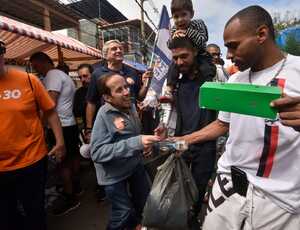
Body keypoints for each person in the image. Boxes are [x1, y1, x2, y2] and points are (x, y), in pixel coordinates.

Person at [172, 6, 300, 230]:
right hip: (228, 186)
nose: (228, 55)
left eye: (233, 46)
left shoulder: (298, 71)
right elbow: (222, 124)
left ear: (261, 35)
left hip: (280, 202)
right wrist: (181, 141)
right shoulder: (235, 80)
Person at [0, 40, 65, 230]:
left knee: (34, 211)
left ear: (3, 53)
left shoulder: (28, 80)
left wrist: (60, 141)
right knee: (6, 216)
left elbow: (50, 111)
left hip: (31, 161)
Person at [157, 36, 217, 228]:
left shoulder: (214, 78)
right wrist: (164, 126)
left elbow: (224, 120)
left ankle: (192, 221)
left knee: (197, 191)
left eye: (184, 56)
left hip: (205, 147)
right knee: (178, 186)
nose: (179, 62)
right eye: (175, 58)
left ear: (196, 53)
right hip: (181, 143)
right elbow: (173, 110)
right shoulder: (178, 82)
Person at [90, 72, 160, 230]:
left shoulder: (130, 104)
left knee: (144, 202)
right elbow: (98, 153)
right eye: (119, 90)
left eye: (126, 87)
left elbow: (133, 134)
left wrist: (144, 146)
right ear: (107, 98)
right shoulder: (104, 115)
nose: (127, 92)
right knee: (123, 212)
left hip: (135, 166)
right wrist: (136, 142)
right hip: (113, 176)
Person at [30, 52, 81, 216]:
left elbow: (49, 104)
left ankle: (70, 197)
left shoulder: (52, 75)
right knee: (72, 158)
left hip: (59, 126)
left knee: (62, 164)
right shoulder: (62, 75)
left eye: (36, 66)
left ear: (43, 62)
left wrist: (41, 125)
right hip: (69, 124)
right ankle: (75, 188)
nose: (36, 69)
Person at [85, 39, 152, 140]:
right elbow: (91, 102)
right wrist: (89, 128)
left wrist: (147, 83)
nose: (119, 50)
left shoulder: (132, 71)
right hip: (109, 120)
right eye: (114, 49)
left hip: (132, 119)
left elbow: (139, 97)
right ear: (105, 55)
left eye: (120, 48)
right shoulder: (97, 74)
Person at [164, 0, 212, 99]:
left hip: (201, 55)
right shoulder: (174, 29)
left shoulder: (198, 24)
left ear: (192, 14)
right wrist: (174, 38)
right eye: (176, 16)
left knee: (206, 69)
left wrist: (187, 32)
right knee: (173, 67)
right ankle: (169, 90)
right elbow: (169, 45)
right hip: (188, 60)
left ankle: (208, 91)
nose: (180, 20)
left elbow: (203, 40)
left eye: (184, 15)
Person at [73, 63, 93, 139]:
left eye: (85, 76)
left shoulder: (101, 89)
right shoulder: (79, 93)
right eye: (80, 77)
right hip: (89, 132)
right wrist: (83, 131)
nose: (82, 80)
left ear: (92, 74)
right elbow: (77, 114)